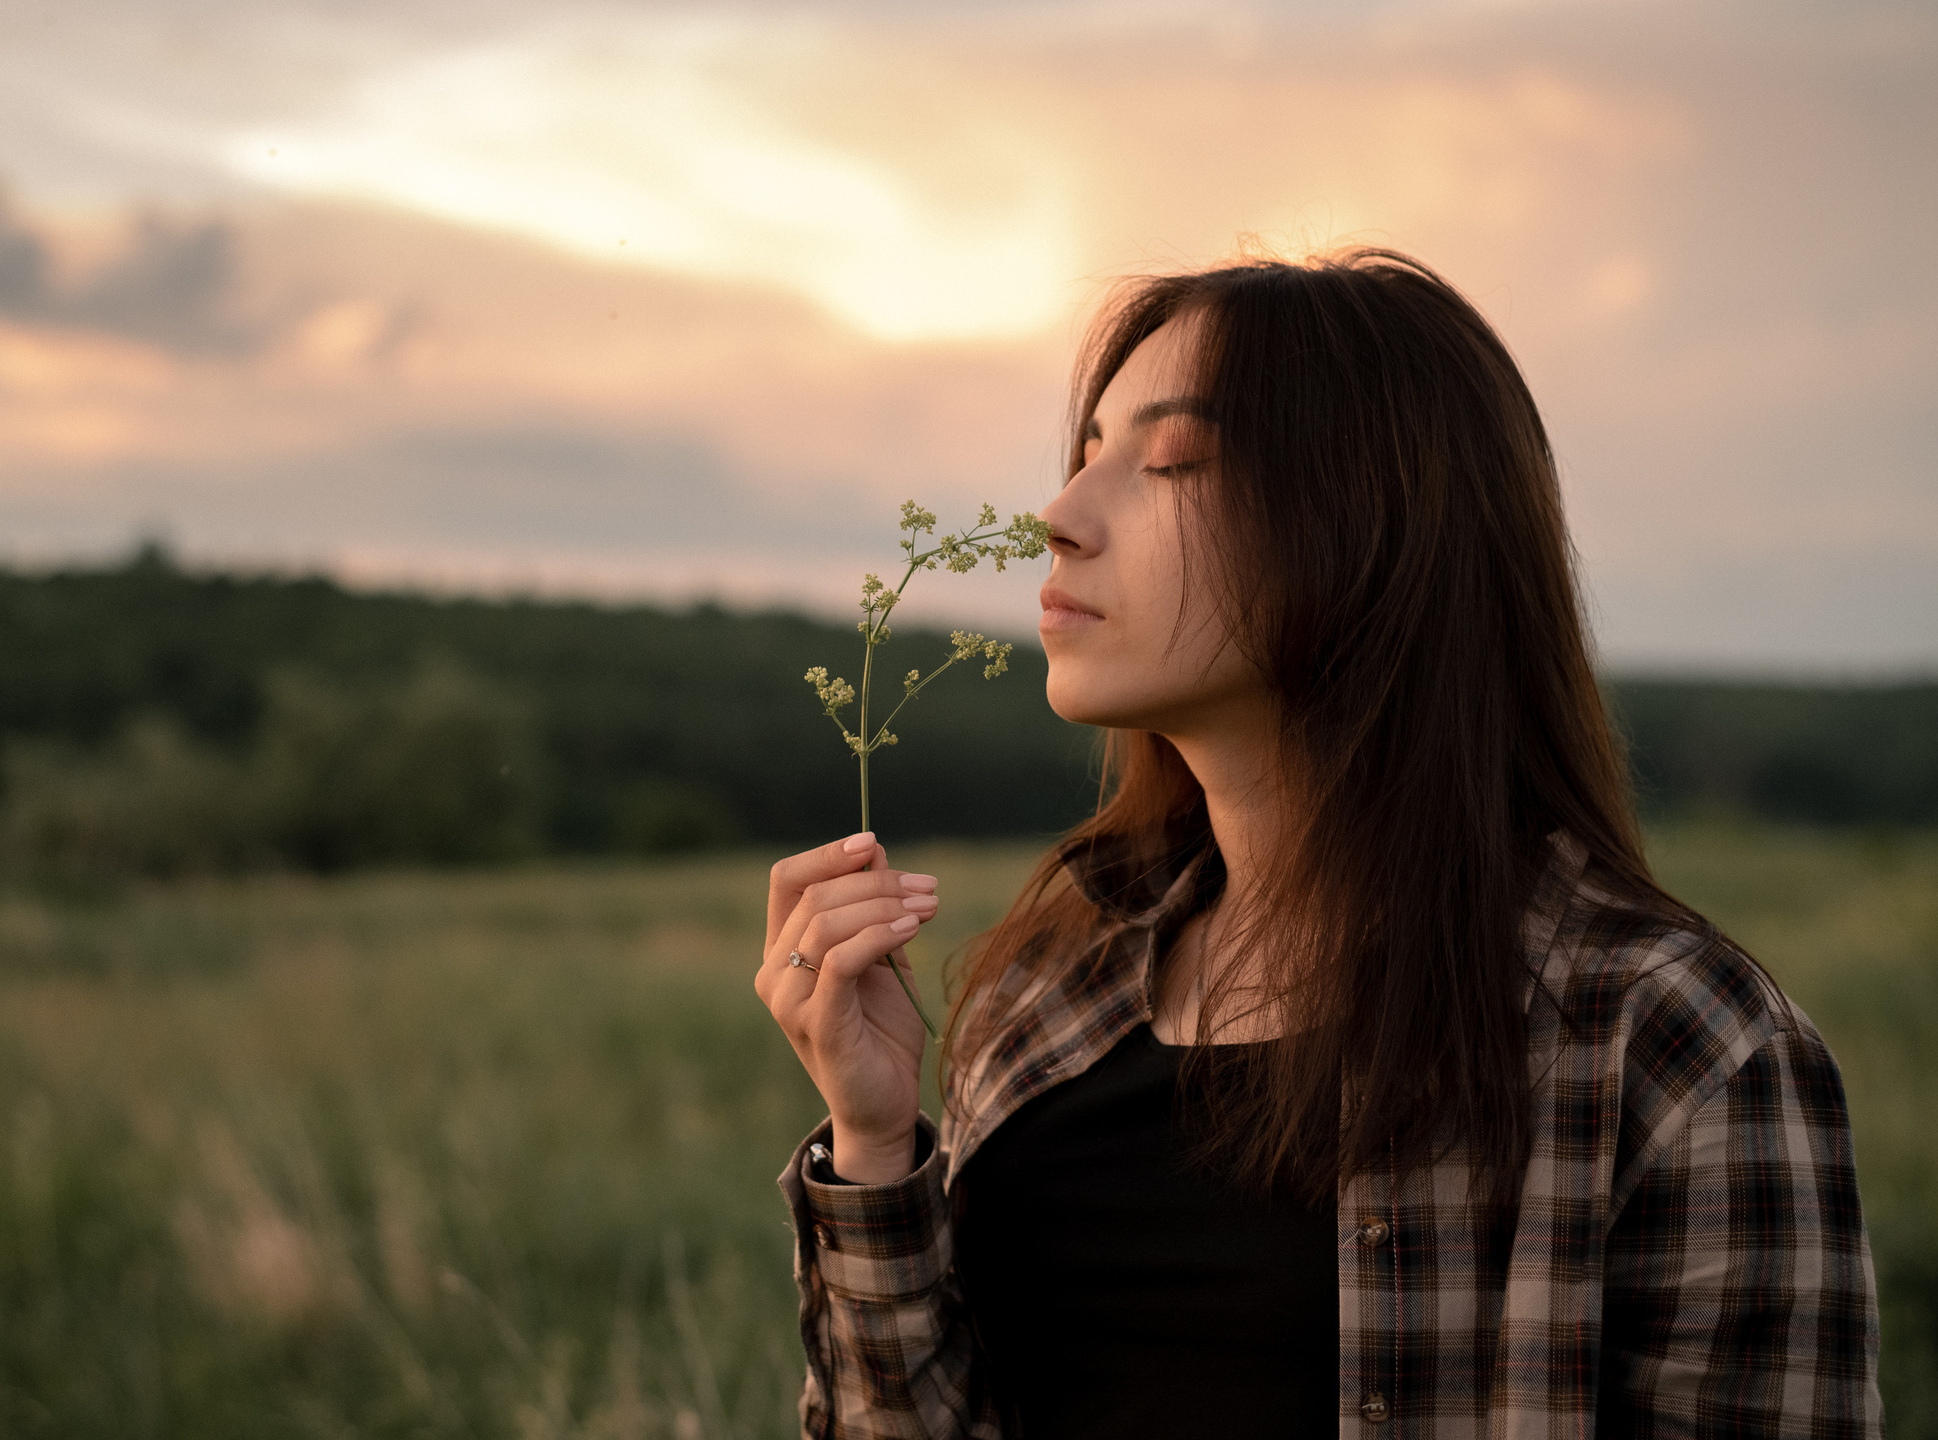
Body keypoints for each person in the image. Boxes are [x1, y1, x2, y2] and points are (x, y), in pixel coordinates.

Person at [752, 250, 1880, 1439]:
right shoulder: (1045, 996)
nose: (1060, 517)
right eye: (1085, 456)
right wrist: (874, 1148)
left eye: (1168, 461)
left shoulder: (1671, 1042)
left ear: (1372, 524)